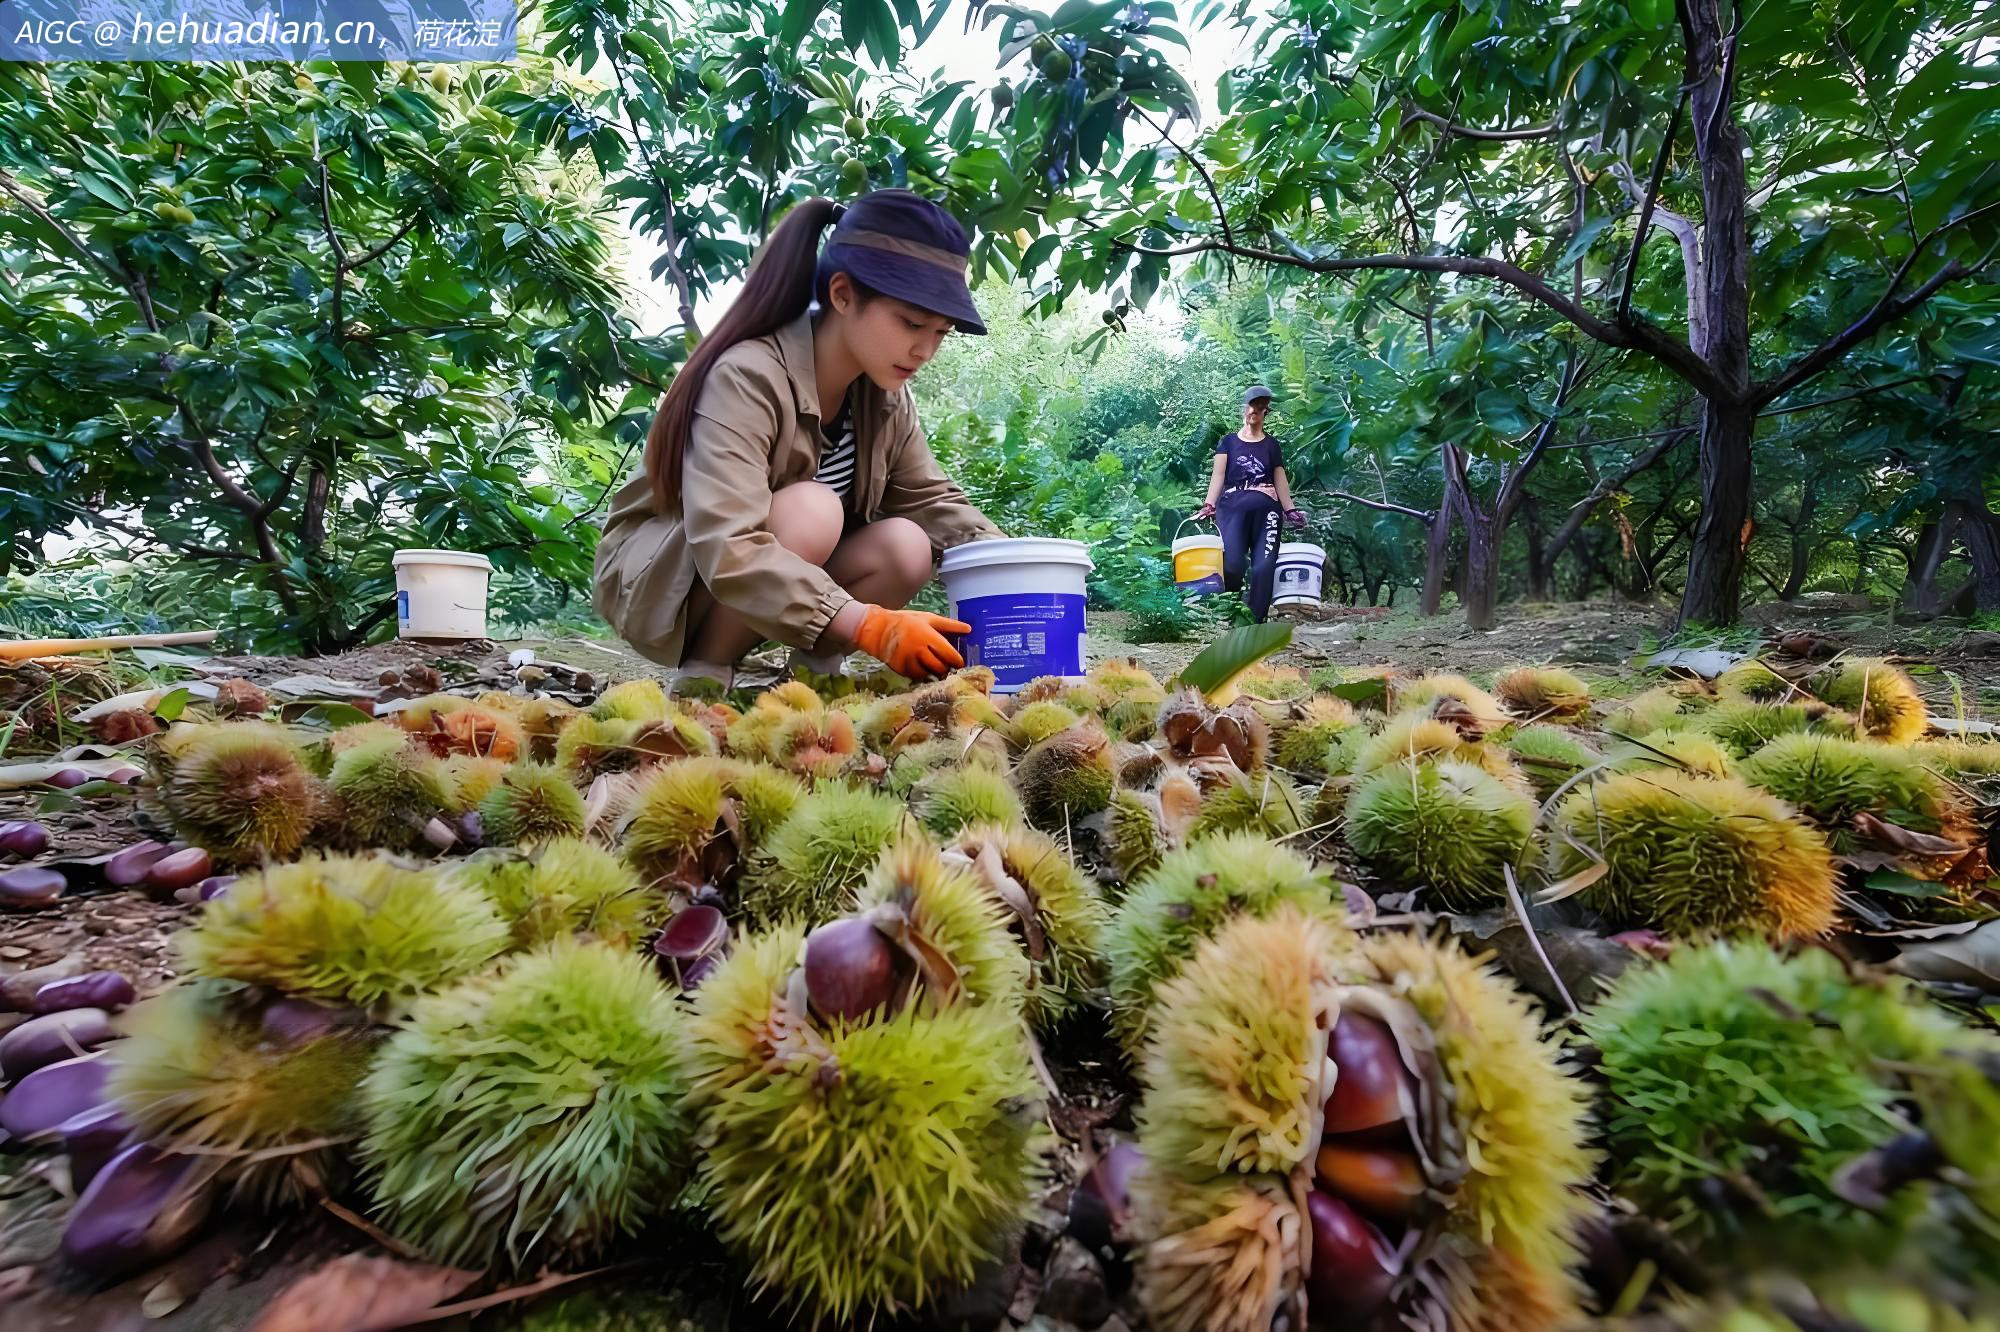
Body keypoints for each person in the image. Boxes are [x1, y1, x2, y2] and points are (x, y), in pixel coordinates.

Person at [591, 190, 1005, 693]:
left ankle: (816, 673)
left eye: (940, 333)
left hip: (774, 587)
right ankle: (704, 673)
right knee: (814, 509)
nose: (924, 349)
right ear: (843, 295)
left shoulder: (885, 399)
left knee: (907, 546)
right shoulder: (748, 376)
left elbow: (931, 501)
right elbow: (729, 544)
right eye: (911, 323)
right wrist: (869, 625)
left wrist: (1021, 568)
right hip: (675, 581)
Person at [1193, 385, 1306, 622]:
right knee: (1232, 566)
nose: (1256, 410)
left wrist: (1290, 509)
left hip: (1268, 512)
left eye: (1262, 406)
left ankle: (1255, 620)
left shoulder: (1272, 445)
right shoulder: (1229, 442)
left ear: (1266, 411)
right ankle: (1233, 610)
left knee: (1264, 567)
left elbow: (1279, 478)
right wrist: (1208, 504)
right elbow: (1218, 476)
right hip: (1232, 509)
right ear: (1244, 408)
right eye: (1253, 404)